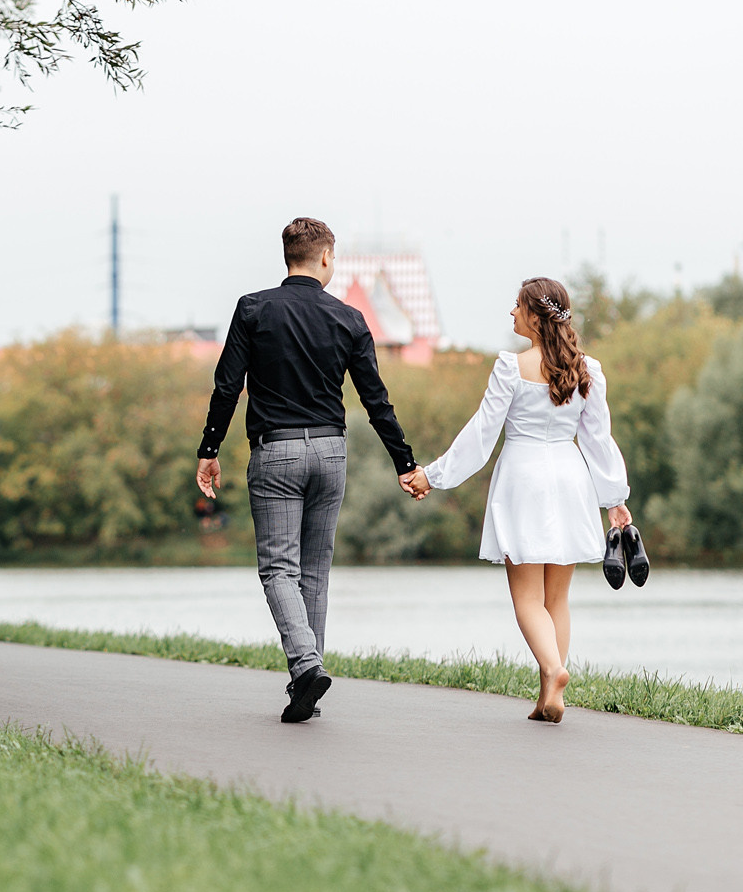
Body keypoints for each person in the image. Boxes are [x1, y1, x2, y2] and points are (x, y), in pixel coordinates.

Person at [196, 217, 429, 723]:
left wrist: (209, 449)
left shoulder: (253, 309)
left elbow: (227, 386)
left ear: (287, 256)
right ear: (326, 257)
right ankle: (308, 683)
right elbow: (375, 400)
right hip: (330, 454)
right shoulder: (347, 317)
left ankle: (306, 668)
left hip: (276, 453)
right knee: (314, 572)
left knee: (279, 567)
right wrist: (404, 463)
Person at [415, 277, 630, 723]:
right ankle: (549, 693)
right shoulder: (587, 369)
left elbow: (481, 435)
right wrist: (615, 497)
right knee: (558, 600)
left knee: (527, 599)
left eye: (517, 307)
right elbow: (598, 440)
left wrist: (433, 476)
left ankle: (553, 671)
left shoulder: (510, 368)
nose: (511, 313)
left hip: (523, 479)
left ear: (535, 315)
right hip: (570, 479)